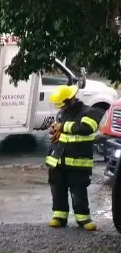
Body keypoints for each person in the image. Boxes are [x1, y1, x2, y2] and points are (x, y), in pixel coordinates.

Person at [46, 84, 99, 230]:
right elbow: (61, 130)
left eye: (62, 105)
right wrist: (55, 131)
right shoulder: (62, 114)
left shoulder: (89, 112)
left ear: (70, 100)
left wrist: (63, 127)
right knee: (58, 188)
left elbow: (86, 129)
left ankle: (83, 219)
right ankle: (59, 217)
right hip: (58, 160)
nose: (60, 109)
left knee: (79, 189)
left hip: (78, 161)